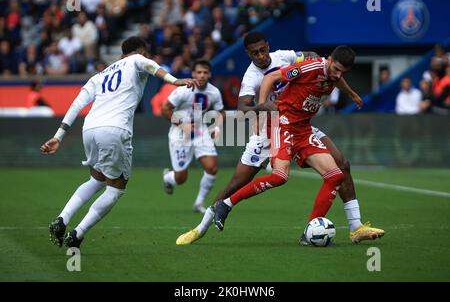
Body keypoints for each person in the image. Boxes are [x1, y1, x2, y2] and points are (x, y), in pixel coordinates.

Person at [176, 32, 384, 245]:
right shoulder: (251, 77)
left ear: (268, 46)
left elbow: (318, 61)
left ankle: (355, 226)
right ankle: (201, 227)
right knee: (238, 183)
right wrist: (263, 107)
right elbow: (243, 108)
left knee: (341, 166)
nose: (260, 56)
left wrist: (348, 91)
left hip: (300, 124)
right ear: (248, 54)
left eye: (263, 50)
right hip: (272, 126)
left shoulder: (285, 57)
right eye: (254, 53)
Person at [41, 36, 198, 249]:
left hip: (90, 128)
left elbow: (77, 104)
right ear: (139, 52)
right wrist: (174, 80)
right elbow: (150, 65)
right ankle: (77, 234)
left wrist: (59, 136)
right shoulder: (136, 60)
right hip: (115, 129)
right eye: (145, 53)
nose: (146, 57)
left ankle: (62, 219)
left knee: (97, 180)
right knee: (115, 189)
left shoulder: (99, 75)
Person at [161, 60, 225, 213]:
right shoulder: (183, 90)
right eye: (199, 72)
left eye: (205, 72)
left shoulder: (214, 92)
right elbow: (165, 109)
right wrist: (182, 124)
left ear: (209, 74)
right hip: (180, 134)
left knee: (212, 167)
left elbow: (220, 112)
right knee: (181, 178)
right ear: (193, 74)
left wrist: (216, 127)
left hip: (200, 131)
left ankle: (199, 203)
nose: (202, 75)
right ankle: (168, 178)